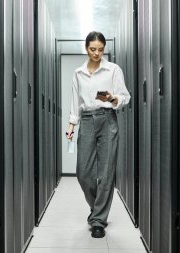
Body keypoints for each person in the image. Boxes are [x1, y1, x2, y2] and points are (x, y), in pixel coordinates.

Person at [66, 31, 131, 238]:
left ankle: (98, 221)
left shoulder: (113, 69)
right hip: (86, 120)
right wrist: (71, 124)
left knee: (105, 173)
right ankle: (97, 209)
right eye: (93, 49)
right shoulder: (78, 73)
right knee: (83, 173)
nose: (97, 53)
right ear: (86, 48)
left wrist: (113, 99)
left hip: (107, 119)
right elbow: (75, 101)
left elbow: (125, 96)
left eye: (101, 49)